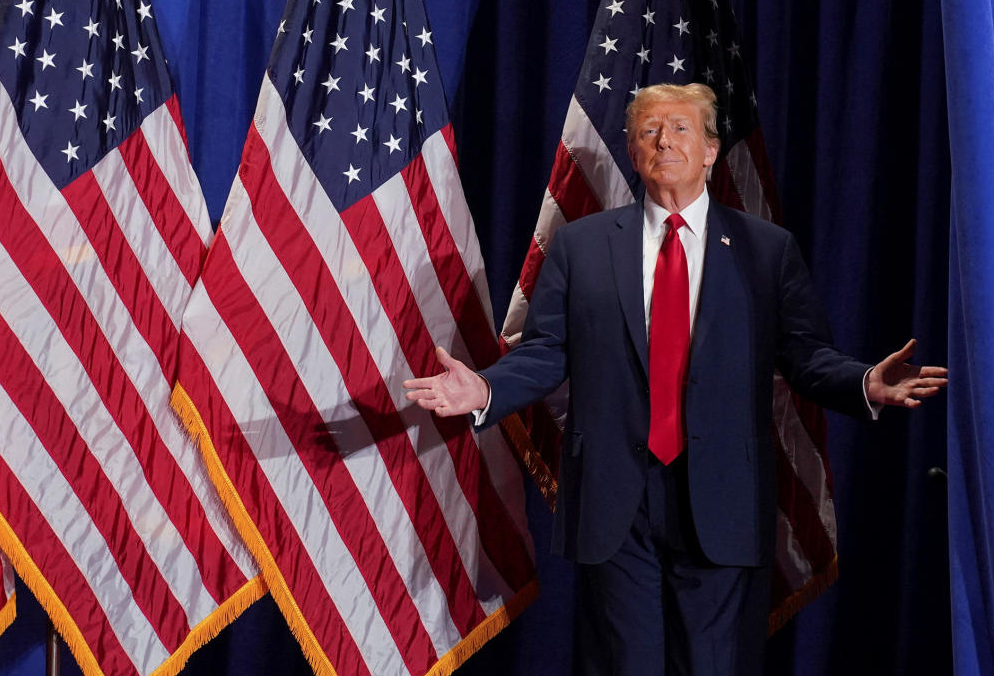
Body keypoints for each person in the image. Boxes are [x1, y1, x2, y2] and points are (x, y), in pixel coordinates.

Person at [403, 83, 947, 676]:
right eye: (648, 131)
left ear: (711, 149)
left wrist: (865, 382)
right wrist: (484, 390)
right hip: (615, 505)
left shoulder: (766, 250)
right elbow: (545, 353)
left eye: (681, 128)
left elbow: (804, 355)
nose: (665, 140)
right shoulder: (581, 247)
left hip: (720, 500)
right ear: (634, 154)